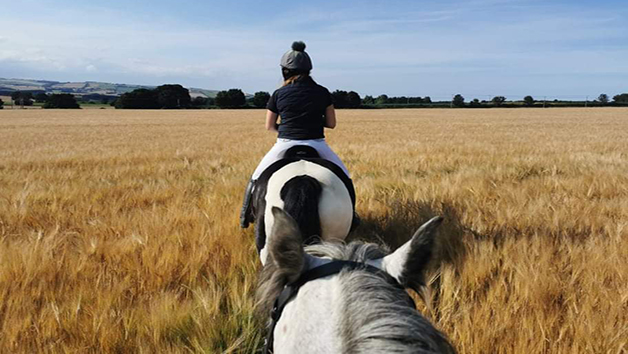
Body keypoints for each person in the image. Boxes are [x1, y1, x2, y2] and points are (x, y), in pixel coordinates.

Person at [240, 41, 351, 228]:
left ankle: (244, 215)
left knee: (256, 176)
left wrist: (286, 130)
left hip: (285, 143)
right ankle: (352, 215)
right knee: (345, 177)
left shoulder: (278, 94)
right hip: (317, 143)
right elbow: (331, 124)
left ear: (285, 71)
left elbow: (269, 125)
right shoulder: (323, 92)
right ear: (309, 70)